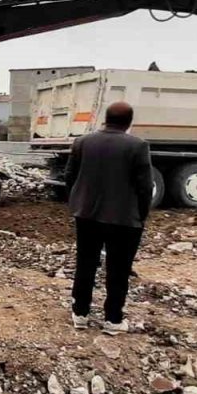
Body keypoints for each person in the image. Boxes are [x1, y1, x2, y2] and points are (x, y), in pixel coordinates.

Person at [64, 101, 153, 334]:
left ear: (106, 118)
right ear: (129, 122)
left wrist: (77, 203)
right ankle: (113, 319)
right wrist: (141, 216)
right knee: (119, 269)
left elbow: (69, 177)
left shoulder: (83, 142)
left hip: (87, 215)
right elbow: (145, 187)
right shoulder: (138, 146)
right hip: (124, 219)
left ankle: (80, 313)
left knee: (85, 264)